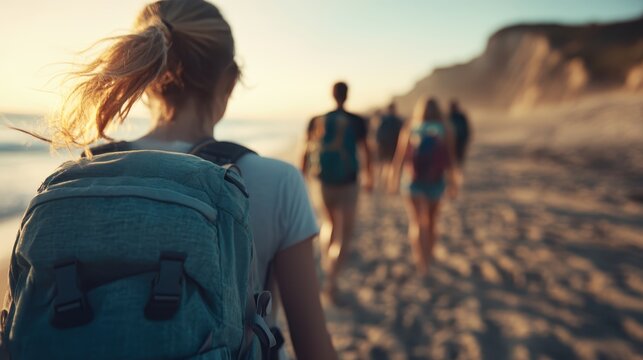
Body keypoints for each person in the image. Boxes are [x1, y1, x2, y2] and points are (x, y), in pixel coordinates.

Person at [29, 1, 337, 358]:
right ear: (230, 81)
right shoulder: (278, 182)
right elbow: (314, 347)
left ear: (145, 76)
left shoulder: (78, 178)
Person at [301, 82, 373, 302]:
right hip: (348, 182)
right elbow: (365, 150)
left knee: (329, 223)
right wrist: (370, 176)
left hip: (323, 181)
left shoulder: (317, 119)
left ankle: (325, 261)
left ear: (332, 95)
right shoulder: (357, 121)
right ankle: (332, 280)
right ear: (347, 95)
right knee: (344, 233)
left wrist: (300, 177)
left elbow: (305, 150)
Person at [388, 97, 458, 275]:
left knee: (416, 221)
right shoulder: (444, 129)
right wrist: (453, 183)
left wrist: (394, 179)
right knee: (432, 222)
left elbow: (399, 157)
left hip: (412, 182)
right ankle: (430, 253)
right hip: (436, 181)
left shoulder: (411, 127)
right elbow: (450, 159)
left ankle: (421, 260)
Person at [374, 102, 404, 187]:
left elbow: (378, 134)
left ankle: (382, 183)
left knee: (383, 164)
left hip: (384, 145)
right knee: (393, 165)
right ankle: (392, 184)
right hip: (394, 145)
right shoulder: (398, 120)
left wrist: (378, 144)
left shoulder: (383, 120)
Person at [448, 100, 472, 165]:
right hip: (452, 142)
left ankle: (458, 171)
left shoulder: (461, 116)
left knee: (459, 159)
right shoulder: (448, 116)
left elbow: (466, 128)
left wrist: (466, 139)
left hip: (460, 141)